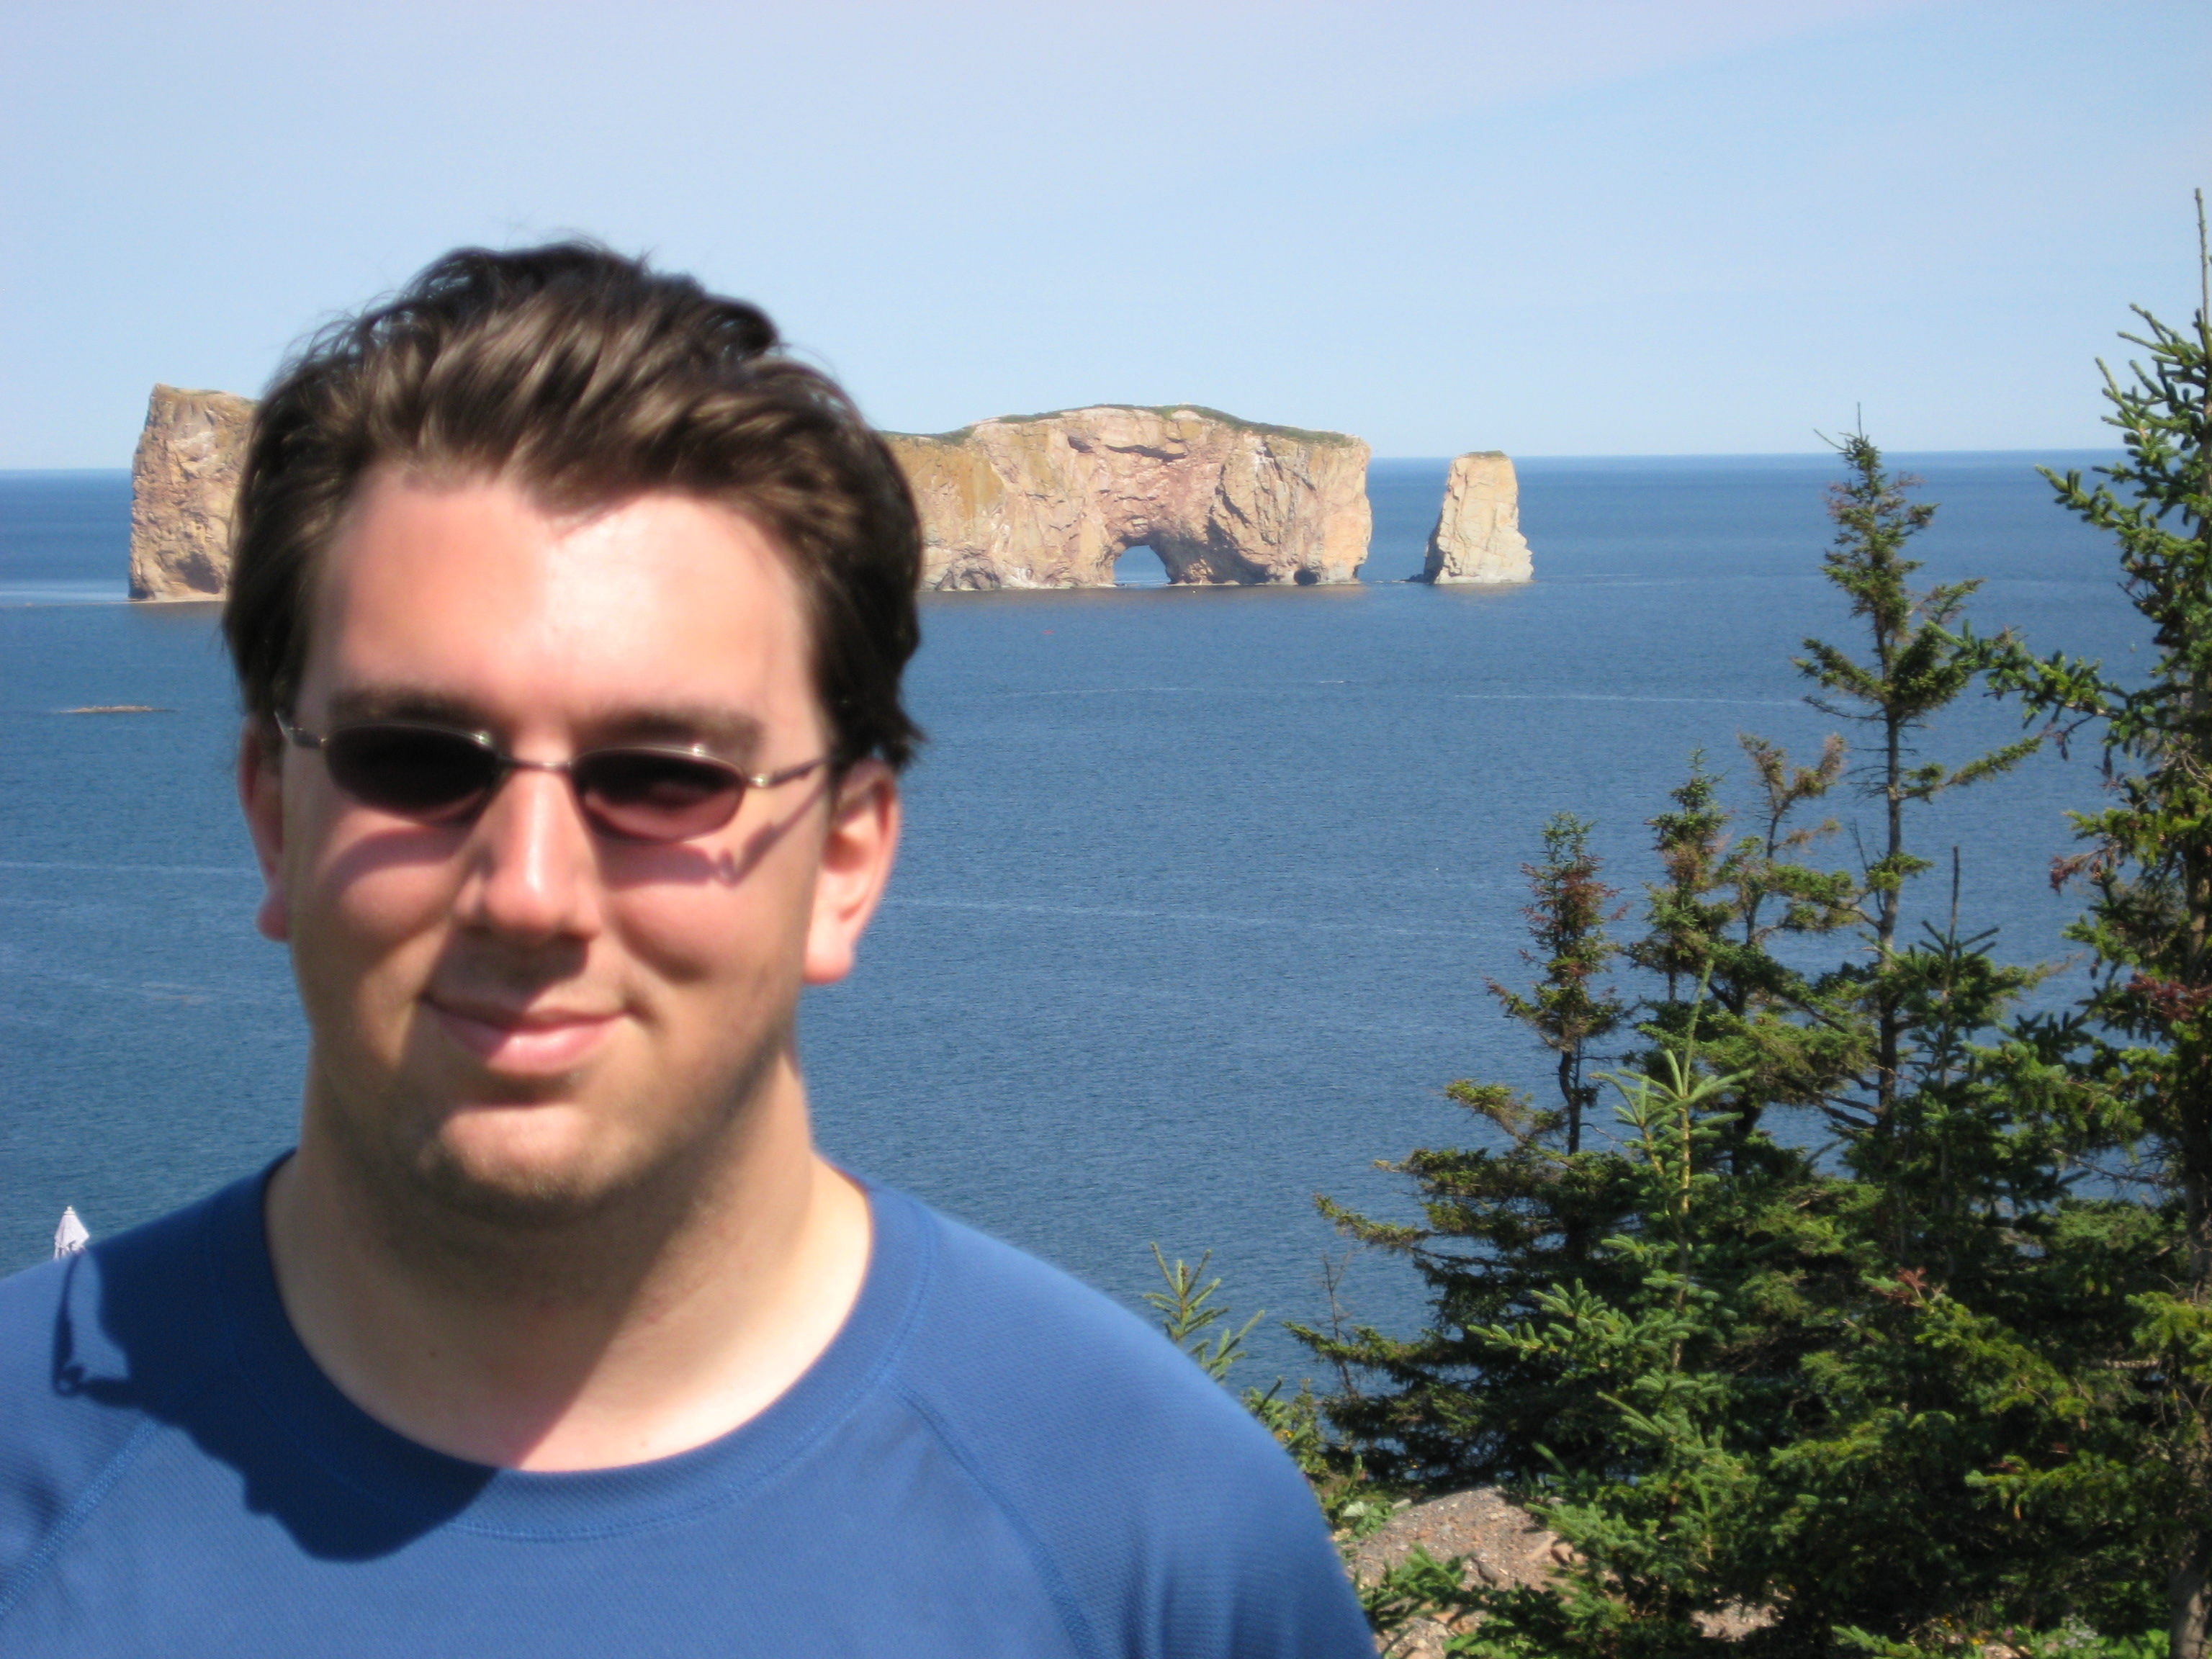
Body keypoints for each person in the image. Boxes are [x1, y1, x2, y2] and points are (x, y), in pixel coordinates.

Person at [0, 245, 1372, 1655]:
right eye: (414, 758)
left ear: (846, 861)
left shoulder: (1166, 1554)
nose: (530, 892)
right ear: (273, 818)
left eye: (666, 776)